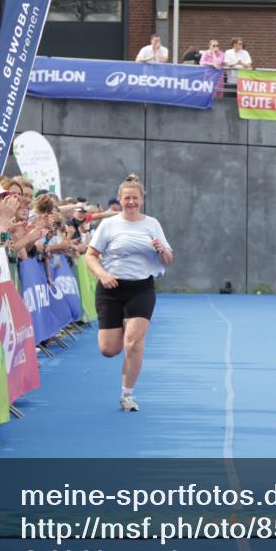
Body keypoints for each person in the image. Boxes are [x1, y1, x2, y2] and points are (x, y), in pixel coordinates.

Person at [85, 175, 174, 412]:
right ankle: (125, 329)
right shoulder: (109, 224)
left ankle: (127, 394)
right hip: (111, 289)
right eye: (127, 198)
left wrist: (161, 249)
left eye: (135, 198)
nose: (131, 202)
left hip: (141, 288)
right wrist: (102, 275)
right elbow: (90, 255)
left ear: (142, 200)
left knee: (134, 343)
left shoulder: (152, 224)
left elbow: (168, 259)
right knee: (109, 349)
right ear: (121, 199)